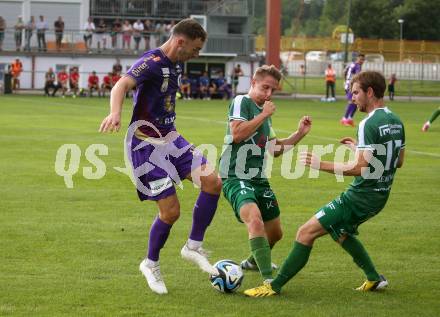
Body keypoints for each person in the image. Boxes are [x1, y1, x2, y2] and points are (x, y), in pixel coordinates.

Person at [244, 70, 406, 297]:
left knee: (305, 232)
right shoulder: (396, 121)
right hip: (380, 195)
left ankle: (274, 286)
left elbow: (361, 168)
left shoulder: (367, 123)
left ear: (370, 92)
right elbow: (397, 161)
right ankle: (373, 278)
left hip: (361, 196)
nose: (353, 98)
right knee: (340, 231)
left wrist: (321, 164)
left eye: (356, 92)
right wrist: (359, 149)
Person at [98, 18, 221, 295]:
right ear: (180, 42)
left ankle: (193, 247)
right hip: (145, 148)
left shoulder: (176, 63)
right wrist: (115, 112)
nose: (197, 54)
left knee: (213, 181)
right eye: (196, 49)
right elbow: (121, 85)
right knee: (171, 212)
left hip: (172, 140)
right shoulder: (151, 61)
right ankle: (150, 263)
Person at [219, 65, 312, 284]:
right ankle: (268, 280)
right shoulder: (242, 102)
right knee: (255, 221)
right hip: (234, 174)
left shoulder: (265, 115)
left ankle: (252, 261)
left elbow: (275, 150)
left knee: (276, 233)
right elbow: (237, 133)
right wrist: (263, 114)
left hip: (258, 178)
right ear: (253, 82)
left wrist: (299, 134)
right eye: (265, 88)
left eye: (273, 90)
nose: (269, 94)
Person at [340, 54, 365, 127]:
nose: (362, 61)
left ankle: (349, 119)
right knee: (352, 101)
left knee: (356, 101)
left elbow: (344, 72)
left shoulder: (351, 64)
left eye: (363, 60)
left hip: (348, 84)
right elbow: (358, 76)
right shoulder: (357, 66)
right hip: (351, 86)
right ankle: (344, 119)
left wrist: (345, 81)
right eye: (361, 59)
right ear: (357, 59)